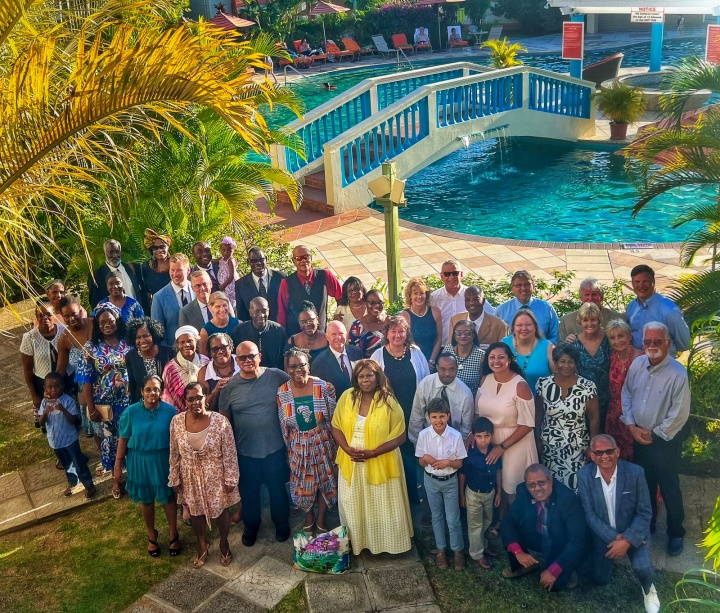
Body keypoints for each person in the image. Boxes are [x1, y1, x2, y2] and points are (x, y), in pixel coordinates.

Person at [331, 359, 414, 555]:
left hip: (380, 461)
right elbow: (336, 426)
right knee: (354, 504)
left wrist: (374, 453)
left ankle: (387, 544)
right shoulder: (347, 397)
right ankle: (359, 542)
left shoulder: (388, 400)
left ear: (378, 377)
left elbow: (400, 435)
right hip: (352, 461)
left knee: (381, 505)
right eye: (361, 376)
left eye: (370, 375)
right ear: (355, 378)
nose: (365, 380)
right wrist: (346, 448)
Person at [621, 322, 690, 556]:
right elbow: (627, 393)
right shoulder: (637, 364)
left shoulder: (678, 374)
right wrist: (631, 426)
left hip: (664, 441)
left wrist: (654, 433)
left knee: (669, 487)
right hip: (639, 435)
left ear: (668, 344)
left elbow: (679, 413)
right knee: (645, 486)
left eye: (657, 341)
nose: (651, 345)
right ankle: (646, 527)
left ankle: (675, 533)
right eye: (648, 341)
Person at [219, 341, 292, 545]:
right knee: (249, 493)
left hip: (274, 448)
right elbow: (224, 420)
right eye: (242, 357)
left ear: (260, 355)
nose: (248, 361)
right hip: (245, 451)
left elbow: (298, 380)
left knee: (277, 489)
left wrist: (322, 384)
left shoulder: (276, 375)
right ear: (236, 360)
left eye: (252, 356)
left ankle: (281, 523)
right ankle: (251, 526)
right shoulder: (230, 387)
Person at [577, 434, 660, 613]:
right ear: (592, 455)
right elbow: (589, 514)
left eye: (609, 451)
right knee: (600, 579)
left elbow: (645, 511)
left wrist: (627, 540)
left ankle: (648, 589)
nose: (604, 456)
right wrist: (616, 540)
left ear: (617, 452)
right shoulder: (584, 475)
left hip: (634, 533)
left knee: (642, 567)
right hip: (605, 535)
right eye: (599, 452)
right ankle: (601, 560)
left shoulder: (636, 472)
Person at [169, 382, 240, 568]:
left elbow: (230, 452)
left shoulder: (220, 421)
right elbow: (174, 452)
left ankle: (224, 543)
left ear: (205, 397)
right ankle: (202, 544)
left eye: (199, 397)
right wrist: (174, 476)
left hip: (215, 474)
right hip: (189, 475)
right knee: (195, 511)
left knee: (221, 510)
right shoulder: (176, 422)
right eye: (190, 399)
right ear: (185, 401)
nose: (195, 402)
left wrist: (231, 478)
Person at [115, 375, 180, 557]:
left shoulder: (170, 411)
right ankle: (152, 534)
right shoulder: (131, 412)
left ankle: (173, 532)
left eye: (157, 389)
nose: (153, 393)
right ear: (142, 392)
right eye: (149, 389)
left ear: (161, 392)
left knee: (167, 497)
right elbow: (123, 438)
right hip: (139, 460)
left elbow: (176, 439)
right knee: (146, 499)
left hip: (162, 459)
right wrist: (117, 466)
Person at [370, 316, 430, 504]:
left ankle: (416, 498)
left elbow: (426, 379)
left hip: (415, 411)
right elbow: (371, 386)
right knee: (396, 455)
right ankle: (398, 499)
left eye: (401, 331)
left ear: (407, 333)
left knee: (415, 455)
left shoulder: (415, 352)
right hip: (390, 415)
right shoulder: (378, 356)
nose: (397, 335)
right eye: (393, 331)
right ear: (386, 333)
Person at [278, 349, 338, 534]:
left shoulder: (323, 387)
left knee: (323, 481)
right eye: (293, 366)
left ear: (308, 365)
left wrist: (335, 447)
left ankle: (321, 517)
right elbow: (283, 424)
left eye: (302, 365)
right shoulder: (282, 392)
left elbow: (334, 419)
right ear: (287, 369)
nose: (298, 370)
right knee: (303, 483)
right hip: (298, 445)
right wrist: (289, 450)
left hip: (322, 441)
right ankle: (308, 515)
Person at [500, 464, 586, 591]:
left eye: (541, 482)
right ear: (527, 485)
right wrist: (518, 552)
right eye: (532, 485)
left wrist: (554, 570)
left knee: (554, 586)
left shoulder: (568, 499)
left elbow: (577, 541)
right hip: (538, 535)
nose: (537, 488)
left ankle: (569, 568)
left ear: (550, 480)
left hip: (559, 542)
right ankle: (524, 565)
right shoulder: (523, 491)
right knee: (512, 528)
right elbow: (508, 520)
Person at [75, 303, 130, 493]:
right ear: (97, 325)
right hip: (107, 405)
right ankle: (117, 480)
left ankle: (135, 477)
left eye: (111, 320)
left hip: (130, 402)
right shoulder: (91, 348)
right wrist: (91, 408)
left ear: (117, 321)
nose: (107, 324)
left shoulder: (128, 340)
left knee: (132, 438)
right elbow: (86, 381)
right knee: (112, 441)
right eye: (102, 322)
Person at [475, 342, 538, 504]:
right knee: (495, 486)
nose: (496, 361)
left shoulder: (520, 385)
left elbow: (528, 424)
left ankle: (519, 526)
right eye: (492, 357)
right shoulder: (485, 380)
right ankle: (501, 523)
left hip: (516, 443)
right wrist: (472, 434)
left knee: (512, 490)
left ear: (509, 360)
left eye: (501, 357)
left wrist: (502, 447)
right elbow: (477, 412)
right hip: (489, 441)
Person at [536, 343, 600, 491]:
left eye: (570, 361)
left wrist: (592, 445)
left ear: (575, 363)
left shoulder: (587, 386)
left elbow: (594, 417)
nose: (566, 365)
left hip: (577, 447)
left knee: (575, 487)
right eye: (562, 361)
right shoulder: (543, 384)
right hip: (549, 446)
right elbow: (538, 414)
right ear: (556, 363)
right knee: (551, 487)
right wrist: (537, 439)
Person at [416, 397, 467, 570]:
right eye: (434, 417)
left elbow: (459, 463)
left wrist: (448, 462)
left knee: (453, 518)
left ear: (448, 416)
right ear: (429, 417)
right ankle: (441, 550)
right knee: (436, 516)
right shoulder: (424, 436)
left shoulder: (455, 436)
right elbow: (421, 463)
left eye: (442, 417)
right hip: (431, 481)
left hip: (450, 481)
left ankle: (458, 550)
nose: (438, 421)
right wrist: (425, 459)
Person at [38, 372, 97, 499]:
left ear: (62, 386)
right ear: (45, 388)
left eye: (57, 386)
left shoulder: (68, 400)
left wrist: (62, 409)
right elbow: (41, 423)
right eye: (50, 387)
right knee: (67, 464)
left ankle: (89, 485)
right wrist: (45, 413)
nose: (53, 389)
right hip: (55, 442)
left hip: (70, 440)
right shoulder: (44, 403)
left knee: (79, 463)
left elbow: (73, 420)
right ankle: (74, 483)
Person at [459, 416, 502, 570]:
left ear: (491, 435)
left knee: (487, 520)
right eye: (479, 436)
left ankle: (482, 545)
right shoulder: (470, 453)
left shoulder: (494, 451)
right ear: (473, 436)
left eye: (486, 436)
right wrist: (462, 495)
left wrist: (498, 493)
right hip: (473, 494)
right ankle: (477, 554)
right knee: (475, 524)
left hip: (489, 493)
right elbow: (463, 474)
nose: (483, 440)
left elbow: (498, 471)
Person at [277, 244, 343, 336]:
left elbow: (341, 296)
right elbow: (282, 312)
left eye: (306, 257)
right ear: (293, 261)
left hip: (321, 336)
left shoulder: (325, 276)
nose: (303, 261)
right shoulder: (286, 283)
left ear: (311, 258)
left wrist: (338, 315)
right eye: (299, 258)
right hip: (297, 338)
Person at [625, 265, 690, 356]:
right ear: (632, 284)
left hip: (662, 366)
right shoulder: (631, 307)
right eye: (637, 282)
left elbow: (684, 344)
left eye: (645, 281)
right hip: (636, 364)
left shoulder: (669, 310)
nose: (641, 285)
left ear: (653, 282)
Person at [408, 353, 474, 443]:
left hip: (454, 441)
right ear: (437, 367)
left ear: (457, 369)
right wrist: (418, 443)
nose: (447, 374)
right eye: (443, 369)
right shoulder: (425, 385)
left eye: (451, 369)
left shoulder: (465, 393)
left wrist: (458, 447)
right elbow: (417, 416)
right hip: (428, 439)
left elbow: (466, 427)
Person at [56, 295, 96, 440]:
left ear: (81, 310)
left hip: (107, 383)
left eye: (74, 314)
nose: (71, 319)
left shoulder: (96, 325)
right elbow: (61, 369)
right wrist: (52, 388)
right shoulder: (64, 339)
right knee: (97, 430)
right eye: (67, 316)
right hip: (85, 389)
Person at [21, 301, 64, 428]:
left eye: (48, 314)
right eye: (40, 315)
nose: (45, 318)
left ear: (54, 315)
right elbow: (28, 369)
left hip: (64, 380)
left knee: (66, 416)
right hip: (42, 384)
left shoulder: (64, 331)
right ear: (36, 317)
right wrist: (34, 395)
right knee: (49, 421)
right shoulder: (29, 338)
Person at [606, 319, 643, 461]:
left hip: (635, 416)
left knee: (636, 456)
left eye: (620, 336)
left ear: (629, 336)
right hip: (614, 415)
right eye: (612, 338)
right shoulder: (612, 357)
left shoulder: (642, 358)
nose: (617, 341)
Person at [572, 302, 611, 430]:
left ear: (599, 320)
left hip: (607, 396)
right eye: (585, 320)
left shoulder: (609, 339)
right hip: (583, 397)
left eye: (593, 319)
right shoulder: (573, 342)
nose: (590, 324)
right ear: (580, 322)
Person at [496, 271, 559, 344]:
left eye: (526, 284)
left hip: (543, 354)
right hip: (511, 354)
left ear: (533, 287)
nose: (523, 288)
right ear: (512, 288)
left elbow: (555, 337)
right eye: (519, 285)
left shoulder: (547, 308)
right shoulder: (501, 311)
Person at [502, 309, 554, 392]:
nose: (524, 328)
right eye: (519, 325)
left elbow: (558, 376)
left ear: (535, 327)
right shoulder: (504, 344)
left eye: (528, 325)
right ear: (513, 328)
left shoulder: (548, 347)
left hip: (540, 401)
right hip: (509, 401)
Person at [125, 317, 173, 403]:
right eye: (138, 337)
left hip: (167, 404)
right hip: (142, 405)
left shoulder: (169, 353)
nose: (142, 340)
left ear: (154, 335)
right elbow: (133, 385)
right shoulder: (131, 356)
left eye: (146, 336)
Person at [162, 326, 210, 413]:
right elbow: (167, 397)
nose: (186, 345)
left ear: (197, 342)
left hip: (205, 412)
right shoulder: (170, 368)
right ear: (177, 345)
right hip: (179, 416)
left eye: (190, 341)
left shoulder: (206, 362)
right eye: (182, 342)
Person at [558, 278, 623, 341]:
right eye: (587, 295)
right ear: (581, 297)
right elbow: (559, 348)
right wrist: (566, 343)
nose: (590, 298)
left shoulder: (618, 319)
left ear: (602, 297)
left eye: (594, 294)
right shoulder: (566, 321)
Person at [231, 297, 287, 369]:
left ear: (269, 311)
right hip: (247, 372)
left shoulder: (279, 331)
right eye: (257, 311)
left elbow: (283, 359)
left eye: (264, 311)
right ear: (250, 312)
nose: (261, 315)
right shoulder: (239, 331)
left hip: (273, 374)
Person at [311, 320, 363, 399]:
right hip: (337, 407)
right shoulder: (319, 363)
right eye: (333, 334)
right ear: (327, 337)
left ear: (346, 334)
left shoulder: (357, 352)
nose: (338, 337)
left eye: (341, 333)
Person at [151, 253, 195, 346]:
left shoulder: (197, 290)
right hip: (173, 351)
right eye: (172, 270)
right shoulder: (159, 297)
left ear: (188, 270)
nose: (175, 274)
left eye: (179, 270)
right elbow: (158, 332)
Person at [448, 286, 508, 351]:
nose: (471, 303)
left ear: (483, 301)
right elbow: (451, 347)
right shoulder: (455, 320)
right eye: (467, 300)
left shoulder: (499, 325)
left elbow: (503, 353)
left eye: (475, 299)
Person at [234, 247, 286, 322]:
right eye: (253, 261)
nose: (258, 263)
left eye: (261, 259)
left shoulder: (281, 278)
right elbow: (242, 314)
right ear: (248, 262)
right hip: (254, 331)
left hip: (280, 328)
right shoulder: (240, 285)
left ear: (266, 259)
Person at [88, 239, 141, 309]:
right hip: (113, 318)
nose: (115, 255)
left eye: (117, 252)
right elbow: (95, 303)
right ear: (105, 253)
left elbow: (142, 293)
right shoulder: (96, 276)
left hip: (136, 314)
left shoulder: (133, 268)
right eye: (111, 252)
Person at [399, 277, 442, 365]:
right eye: (415, 293)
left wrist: (431, 361)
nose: (419, 297)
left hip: (433, 360)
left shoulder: (435, 312)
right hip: (413, 361)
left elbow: (439, 339)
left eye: (422, 293)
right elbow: (407, 342)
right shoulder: (404, 316)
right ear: (410, 296)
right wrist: (421, 363)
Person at [442, 320, 485, 397]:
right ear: (454, 335)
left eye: (467, 333)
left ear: (473, 335)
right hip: (447, 398)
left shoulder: (481, 355)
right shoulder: (447, 350)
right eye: (459, 332)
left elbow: (482, 381)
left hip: (470, 399)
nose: (463, 336)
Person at [198, 333, 239, 412]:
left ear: (231, 347)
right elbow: (204, 407)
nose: (220, 351)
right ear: (210, 352)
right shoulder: (204, 372)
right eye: (215, 349)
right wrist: (215, 391)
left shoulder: (241, 362)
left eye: (223, 347)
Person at [349, 289, 388, 358]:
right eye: (372, 303)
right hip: (368, 367)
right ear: (365, 303)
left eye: (380, 302)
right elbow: (354, 354)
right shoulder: (356, 327)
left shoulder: (392, 322)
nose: (376, 306)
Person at [139, 229, 171, 312]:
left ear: (168, 247)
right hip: (156, 305)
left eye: (162, 247)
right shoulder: (146, 266)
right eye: (155, 248)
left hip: (174, 303)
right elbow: (145, 287)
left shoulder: (175, 264)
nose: (159, 250)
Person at [199, 291, 239, 356]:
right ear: (210, 308)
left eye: (224, 305)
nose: (222, 309)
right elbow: (204, 357)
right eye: (218, 306)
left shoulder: (238, 324)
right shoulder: (205, 331)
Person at [216, 236, 239, 310]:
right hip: (224, 285)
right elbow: (213, 261)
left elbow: (231, 276)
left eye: (229, 251)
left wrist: (222, 286)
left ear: (234, 250)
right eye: (223, 250)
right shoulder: (222, 259)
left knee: (230, 303)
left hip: (229, 285)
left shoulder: (230, 260)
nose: (226, 253)